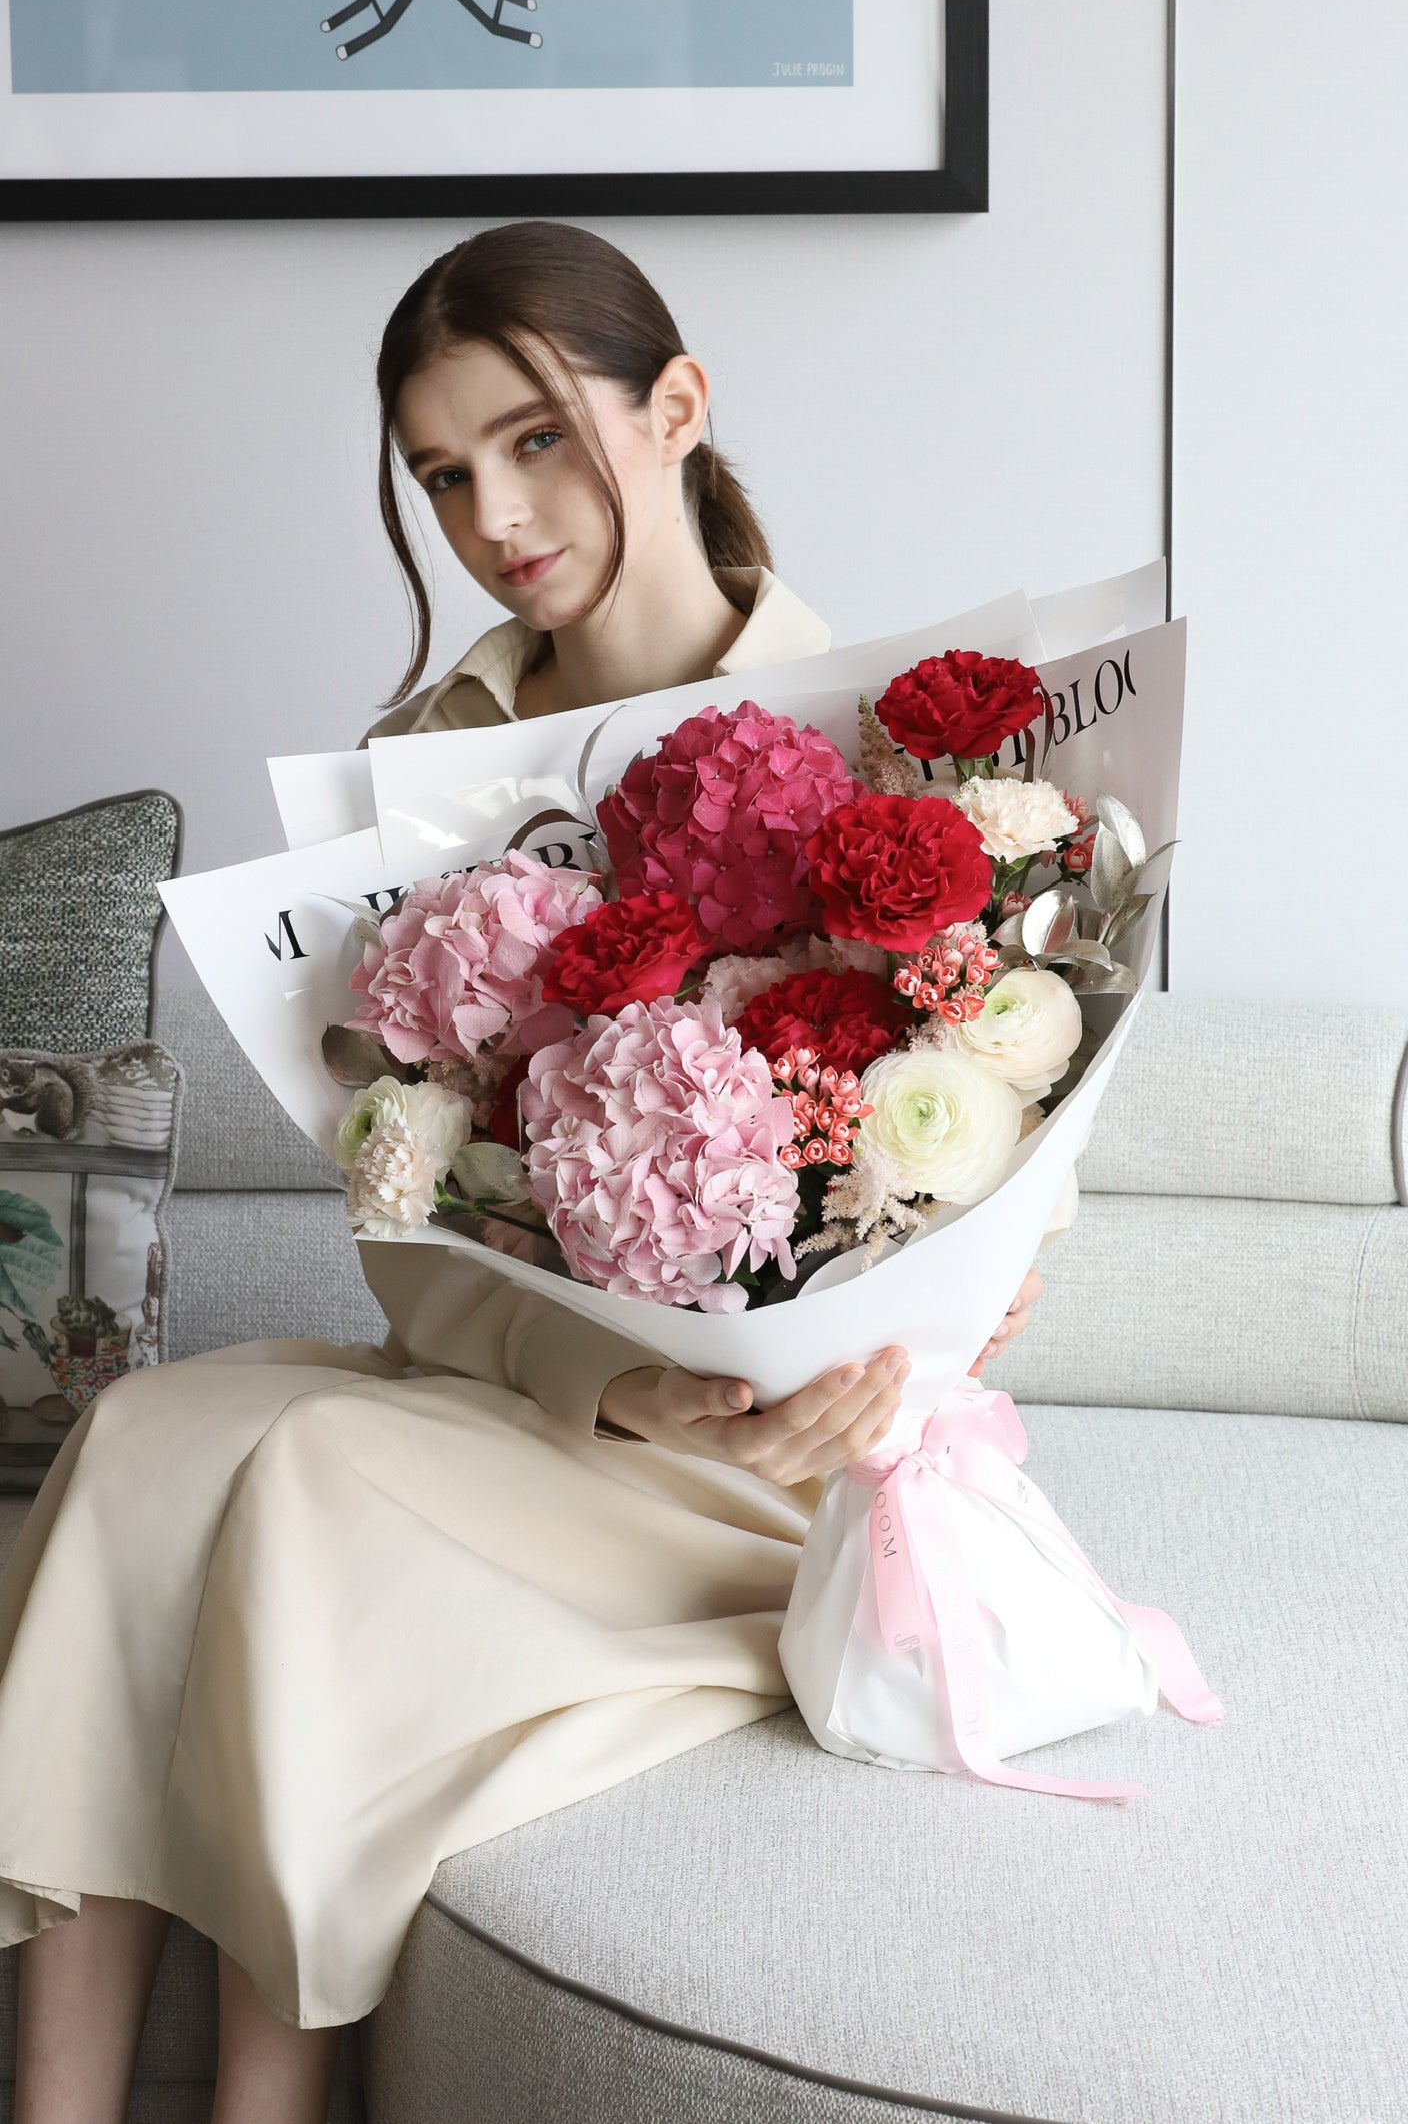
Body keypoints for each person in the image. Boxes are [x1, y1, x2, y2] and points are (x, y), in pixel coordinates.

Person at [0, 220, 1046, 2124]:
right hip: (541, 1399)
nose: (494, 512)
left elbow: (1005, 1142)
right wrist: (605, 1369)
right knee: (140, 1435)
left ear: (676, 409)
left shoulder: (895, 759)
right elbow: (404, 1229)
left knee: (311, 1469)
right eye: (444, 473)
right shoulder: (423, 761)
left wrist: (889, 1322)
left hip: (751, 1473)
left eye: (537, 438)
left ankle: (269, 2103)